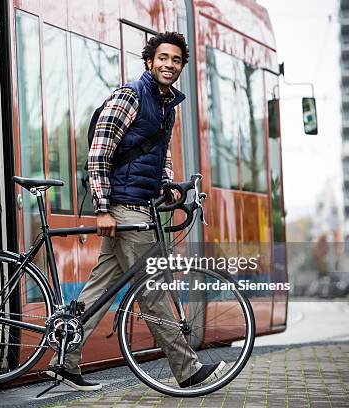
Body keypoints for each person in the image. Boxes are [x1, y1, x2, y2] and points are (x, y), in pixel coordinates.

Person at [46, 32, 224, 391]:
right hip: (124, 210)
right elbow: (100, 152)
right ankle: (187, 371)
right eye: (163, 58)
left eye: (175, 60)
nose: (169, 65)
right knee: (154, 291)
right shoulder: (130, 96)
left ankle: (65, 359)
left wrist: (167, 183)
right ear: (149, 61)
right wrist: (102, 209)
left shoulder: (165, 104)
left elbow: (159, 153)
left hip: (139, 207)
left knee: (98, 290)